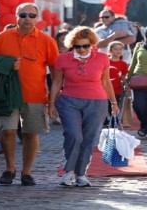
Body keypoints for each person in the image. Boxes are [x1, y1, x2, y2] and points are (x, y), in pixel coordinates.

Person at [0, 3, 59, 186]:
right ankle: (10, 169)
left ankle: (26, 172)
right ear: (16, 16)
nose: (27, 18)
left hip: (35, 95)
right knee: (8, 131)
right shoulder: (2, 38)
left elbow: (56, 70)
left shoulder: (46, 40)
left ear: (37, 18)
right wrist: (6, 64)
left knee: (30, 134)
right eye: (23, 15)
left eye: (32, 15)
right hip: (7, 95)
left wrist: (53, 99)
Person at [48, 26, 119, 187]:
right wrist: (51, 103)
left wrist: (113, 103)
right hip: (68, 101)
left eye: (85, 46)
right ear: (72, 44)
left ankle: (81, 173)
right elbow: (57, 82)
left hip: (97, 102)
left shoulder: (102, 58)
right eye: (77, 46)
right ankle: (68, 172)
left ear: (92, 44)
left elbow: (106, 81)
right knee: (74, 135)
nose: (81, 49)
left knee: (89, 139)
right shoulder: (63, 58)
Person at [107, 41, 128, 110]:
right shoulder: (105, 61)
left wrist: (126, 84)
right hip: (104, 92)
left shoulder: (123, 64)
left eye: (120, 49)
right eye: (115, 49)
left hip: (117, 92)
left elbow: (123, 78)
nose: (118, 51)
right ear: (110, 51)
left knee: (114, 113)